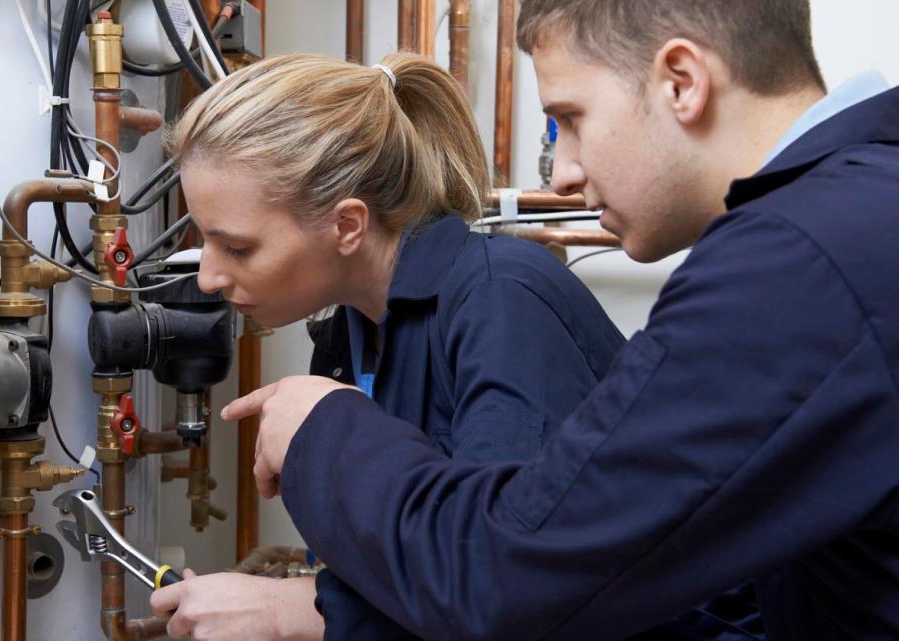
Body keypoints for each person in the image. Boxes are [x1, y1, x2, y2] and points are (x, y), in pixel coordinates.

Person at [225, 1, 899, 640]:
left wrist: (323, 429)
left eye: (570, 119)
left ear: (681, 82)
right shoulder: (857, 214)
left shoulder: (794, 262)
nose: (566, 173)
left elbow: (507, 577)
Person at [149, 51, 628, 640]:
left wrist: (294, 614)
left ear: (347, 225)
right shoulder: (350, 335)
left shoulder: (502, 302)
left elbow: (517, 594)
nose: (208, 279)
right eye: (207, 242)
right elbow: (400, 571)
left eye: (239, 248)